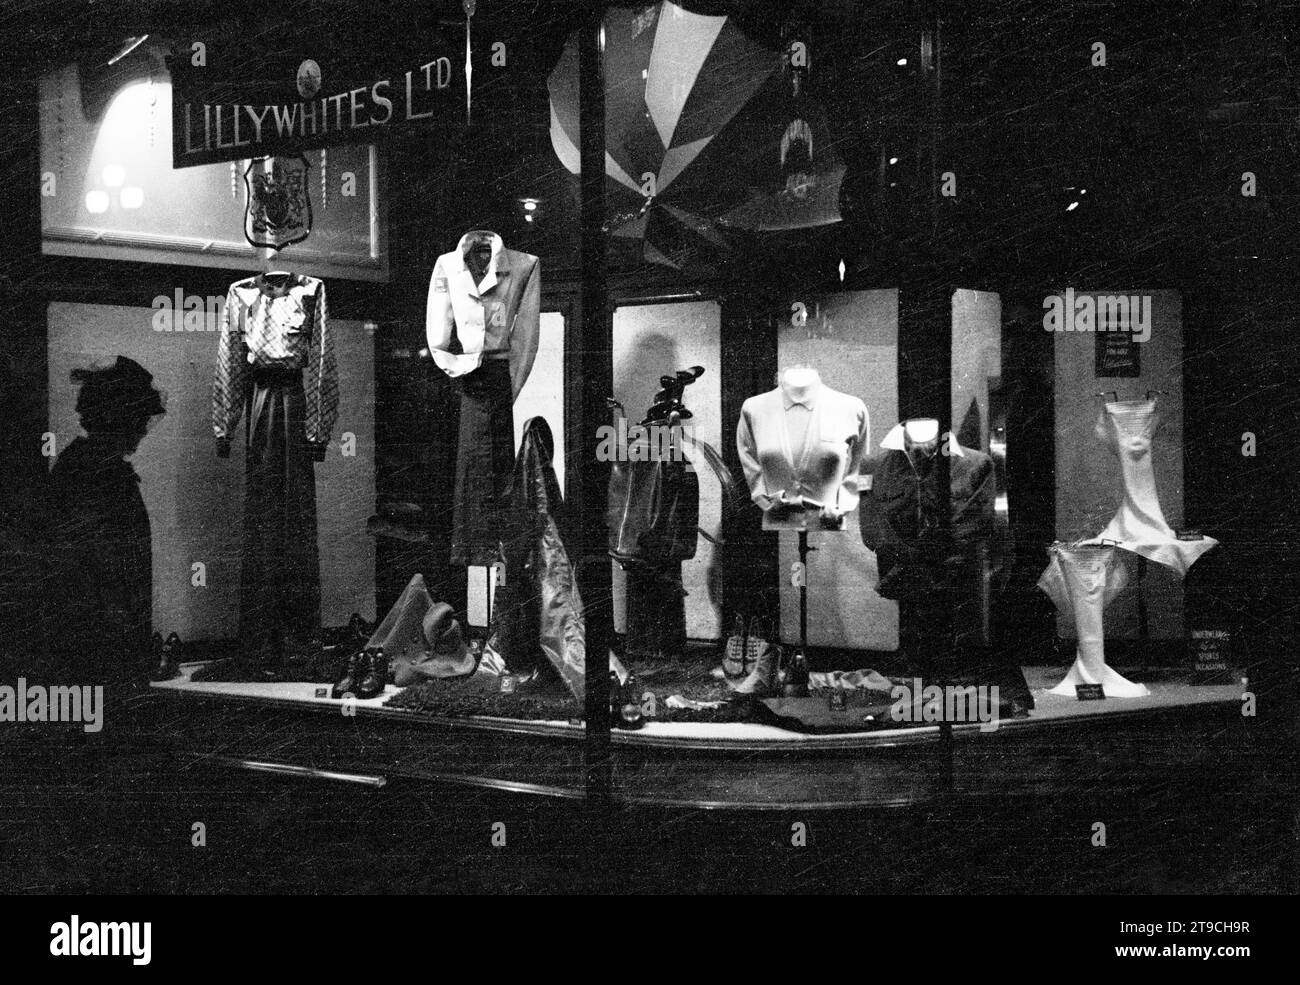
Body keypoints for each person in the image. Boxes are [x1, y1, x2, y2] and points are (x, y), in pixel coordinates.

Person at [43, 356, 165, 685]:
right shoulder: (92, 470)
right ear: (118, 417)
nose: (142, 428)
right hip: (97, 651)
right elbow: (92, 569)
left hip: (109, 644)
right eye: (137, 418)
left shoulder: (94, 465)